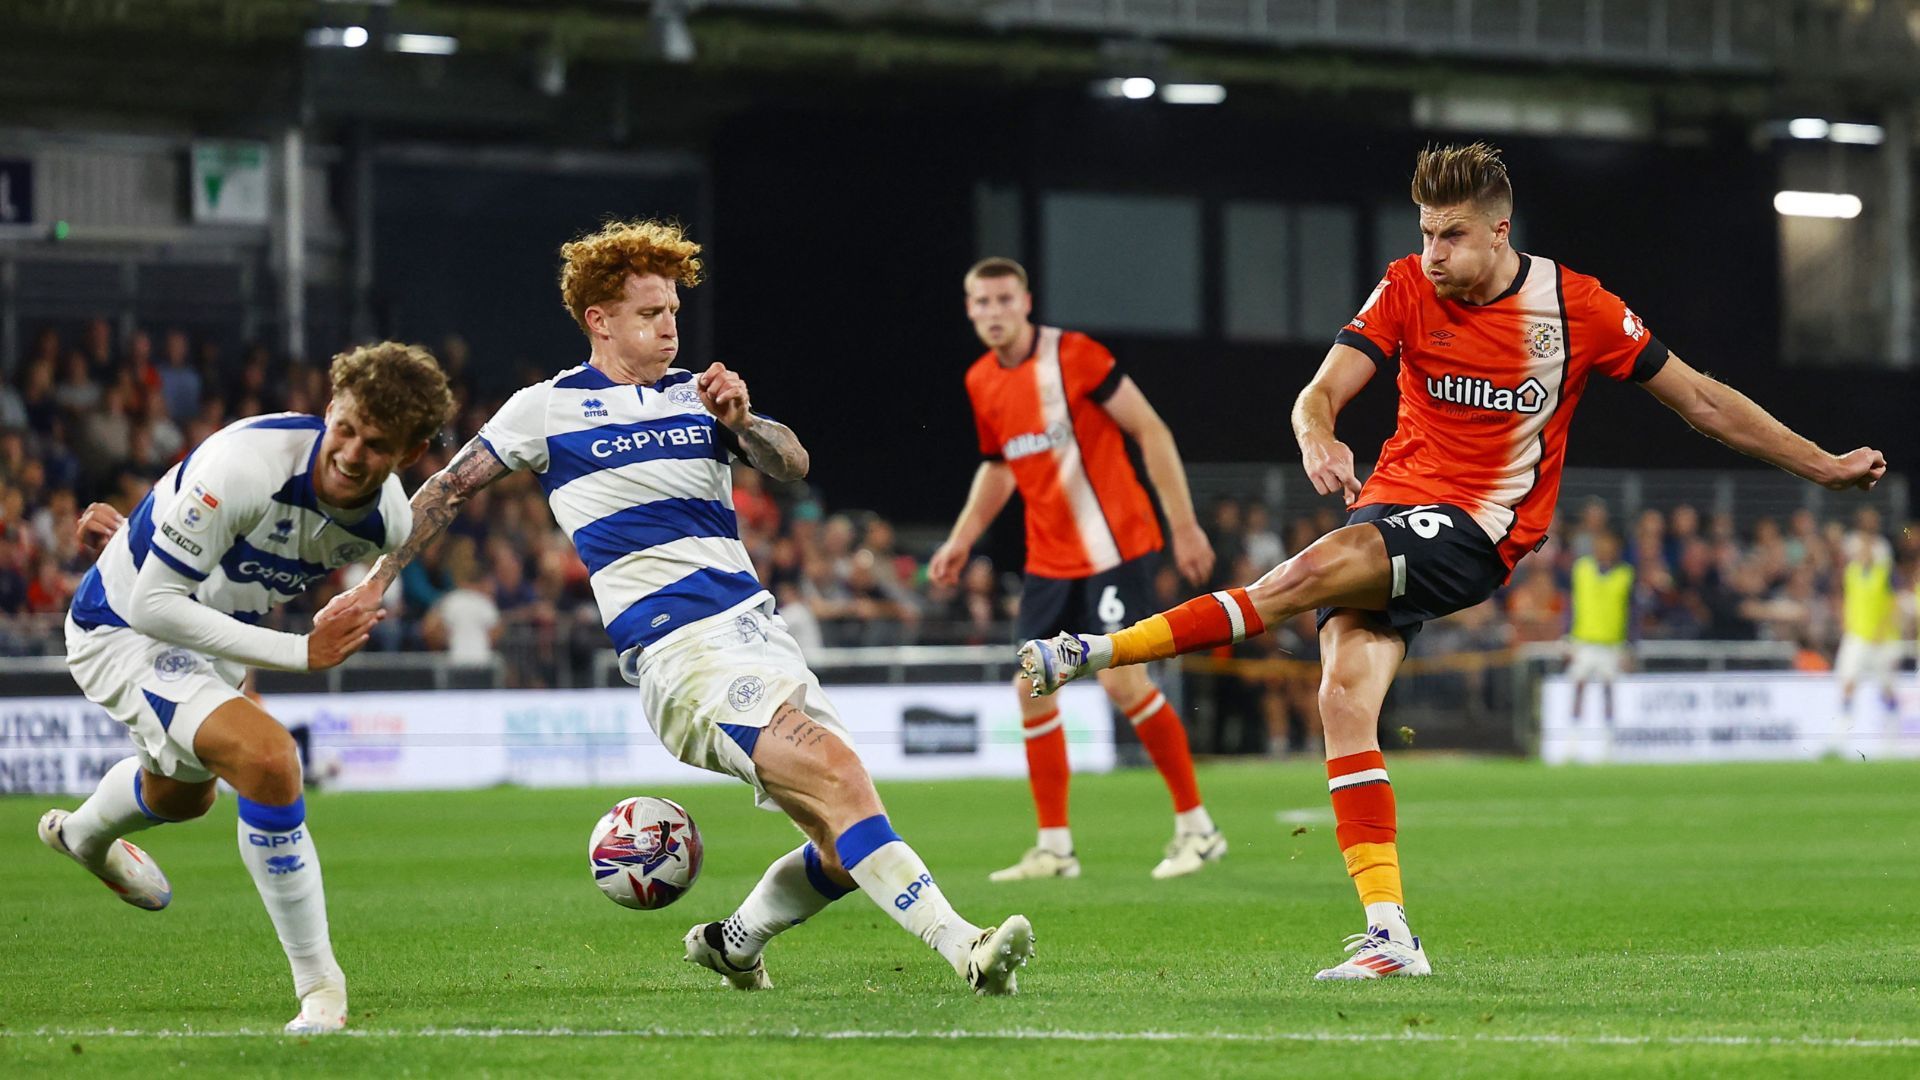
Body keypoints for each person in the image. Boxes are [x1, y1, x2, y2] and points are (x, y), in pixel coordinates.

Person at [1019, 142, 1887, 980]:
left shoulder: (1576, 308)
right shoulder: (1403, 286)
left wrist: (1819, 463)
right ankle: (1389, 932)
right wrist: (1317, 434)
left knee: (1303, 575)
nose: (1431, 251)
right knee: (1342, 698)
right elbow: (1320, 391)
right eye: (1426, 231)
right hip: (1391, 504)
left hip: (1483, 527)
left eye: (1451, 235)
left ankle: (1090, 652)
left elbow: (1699, 399)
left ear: (1500, 231)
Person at [325, 219, 1035, 995]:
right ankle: (966, 947)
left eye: (672, 311)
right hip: (683, 652)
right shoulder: (547, 409)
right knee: (841, 775)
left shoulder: (697, 395)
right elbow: (446, 489)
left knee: (840, 840)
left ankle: (734, 942)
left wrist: (742, 421)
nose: (670, 326)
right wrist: (375, 580)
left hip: (757, 637)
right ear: (599, 321)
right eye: (649, 314)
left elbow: (793, 464)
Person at [38, 342, 452, 1032]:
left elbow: (246, 568)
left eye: (374, 444)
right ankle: (322, 988)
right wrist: (299, 651)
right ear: (330, 409)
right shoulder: (248, 466)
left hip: (204, 626)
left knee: (185, 796)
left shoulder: (386, 526)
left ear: (408, 456)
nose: (348, 452)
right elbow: (153, 604)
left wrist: (141, 527)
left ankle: (82, 836)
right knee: (268, 760)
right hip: (126, 625)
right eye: (343, 428)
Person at [928, 257, 1223, 882]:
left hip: (1117, 548)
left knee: (1120, 682)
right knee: (1031, 686)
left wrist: (1185, 524)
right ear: (969, 309)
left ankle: (1198, 828)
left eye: (1003, 298)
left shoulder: (1076, 355)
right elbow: (1000, 466)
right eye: (980, 302)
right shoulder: (982, 380)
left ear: (1026, 301)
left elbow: (1151, 428)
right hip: (1049, 562)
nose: (993, 312)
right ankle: (1055, 849)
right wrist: (960, 541)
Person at [1836, 510, 1899, 720]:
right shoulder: (1851, 572)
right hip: (1856, 635)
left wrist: (1882, 630)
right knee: (1848, 679)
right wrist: (1844, 621)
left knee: (1885, 685)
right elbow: (1844, 597)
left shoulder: (1882, 575)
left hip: (1880, 638)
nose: (1865, 553)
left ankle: (1893, 723)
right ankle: (1843, 728)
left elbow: (1891, 604)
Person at [1568, 530, 1634, 724]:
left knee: (1610, 690)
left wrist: (1630, 646)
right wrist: (1566, 639)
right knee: (1577, 686)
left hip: (1612, 644)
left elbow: (1633, 613)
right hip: (1583, 641)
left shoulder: (1626, 574)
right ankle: (1572, 731)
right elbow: (1570, 605)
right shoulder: (1581, 569)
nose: (1604, 550)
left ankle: (1609, 733)